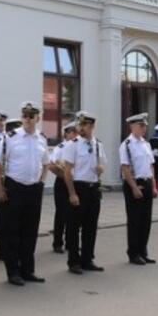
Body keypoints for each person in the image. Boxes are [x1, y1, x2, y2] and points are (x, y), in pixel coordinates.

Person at [0, 101, 50, 286]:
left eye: (31, 116)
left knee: (30, 231)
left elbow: (46, 163)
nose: (27, 119)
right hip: (14, 187)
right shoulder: (10, 137)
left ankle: (28, 270)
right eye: (24, 115)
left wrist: (41, 182)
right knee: (12, 232)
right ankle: (13, 271)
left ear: (38, 118)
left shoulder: (42, 138)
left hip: (33, 189)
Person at [60, 112, 105, 274]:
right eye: (80, 125)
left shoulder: (98, 145)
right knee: (74, 226)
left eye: (85, 125)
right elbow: (67, 171)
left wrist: (101, 169)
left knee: (91, 226)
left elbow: (102, 165)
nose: (81, 128)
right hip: (79, 187)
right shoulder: (73, 144)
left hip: (94, 188)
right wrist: (72, 193)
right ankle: (73, 261)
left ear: (92, 127)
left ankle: (87, 259)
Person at [120, 113, 158, 266]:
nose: (144, 128)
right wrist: (134, 187)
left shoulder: (146, 144)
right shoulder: (127, 145)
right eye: (141, 126)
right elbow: (125, 168)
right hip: (134, 184)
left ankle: (143, 251)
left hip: (147, 182)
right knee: (135, 220)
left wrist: (154, 186)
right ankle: (133, 253)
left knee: (146, 220)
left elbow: (150, 166)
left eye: (145, 126)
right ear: (132, 126)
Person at [0, 117, 22, 261]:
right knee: (3, 219)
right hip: (3, 182)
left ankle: (12, 248)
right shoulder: (1, 142)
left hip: (14, 182)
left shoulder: (16, 142)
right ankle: (2, 250)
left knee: (15, 219)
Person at [50, 122, 78, 254]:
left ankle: (70, 242)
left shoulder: (79, 146)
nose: (75, 133)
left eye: (76, 131)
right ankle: (57, 243)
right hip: (62, 182)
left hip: (76, 182)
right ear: (66, 133)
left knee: (74, 215)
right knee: (61, 213)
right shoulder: (61, 147)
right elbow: (53, 164)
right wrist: (63, 173)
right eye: (72, 131)